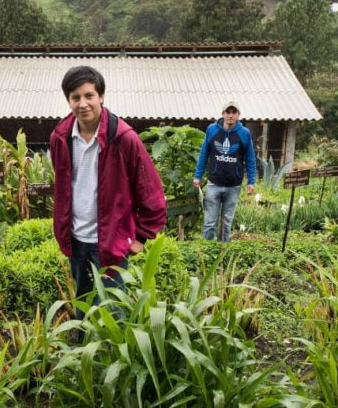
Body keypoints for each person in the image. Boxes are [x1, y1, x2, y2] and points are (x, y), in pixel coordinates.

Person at [50, 66, 167, 317]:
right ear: (68, 100)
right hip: (76, 238)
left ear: (101, 97)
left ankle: (110, 344)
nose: (83, 103)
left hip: (112, 241)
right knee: (82, 304)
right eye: (75, 97)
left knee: (113, 309)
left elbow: (151, 191)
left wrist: (141, 237)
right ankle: (82, 341)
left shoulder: (123, 138)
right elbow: (62, 186)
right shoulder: (60, 137)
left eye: (89, 95)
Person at [192, 101, 258, 241]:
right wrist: (198, 176)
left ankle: (222, 250)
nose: (231, 115)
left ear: (238, 115)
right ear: (223, 113)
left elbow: (250, 158)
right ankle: (207, 249)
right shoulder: (212, 130)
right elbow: (204, 154)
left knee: (226, 224)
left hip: (233, 186)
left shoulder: (244, 133)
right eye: (228, 112)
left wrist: (251, 181)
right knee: (209, 222)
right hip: (214, 184)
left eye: (234, 112)